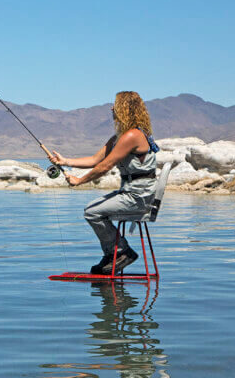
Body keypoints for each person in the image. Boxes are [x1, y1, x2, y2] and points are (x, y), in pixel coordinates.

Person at [48, 91, 158, 275]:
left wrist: (79, 181)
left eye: (115, 104)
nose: (111, 108)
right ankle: (113, 254)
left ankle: (121, 252)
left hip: (139, 198)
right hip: (130, 194)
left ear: (125, 109)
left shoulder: (132, 136)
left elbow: (105, 166)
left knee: (92, 212)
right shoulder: (119, 138)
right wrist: (64, 161)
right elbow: (94, 160)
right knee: (91, 209)